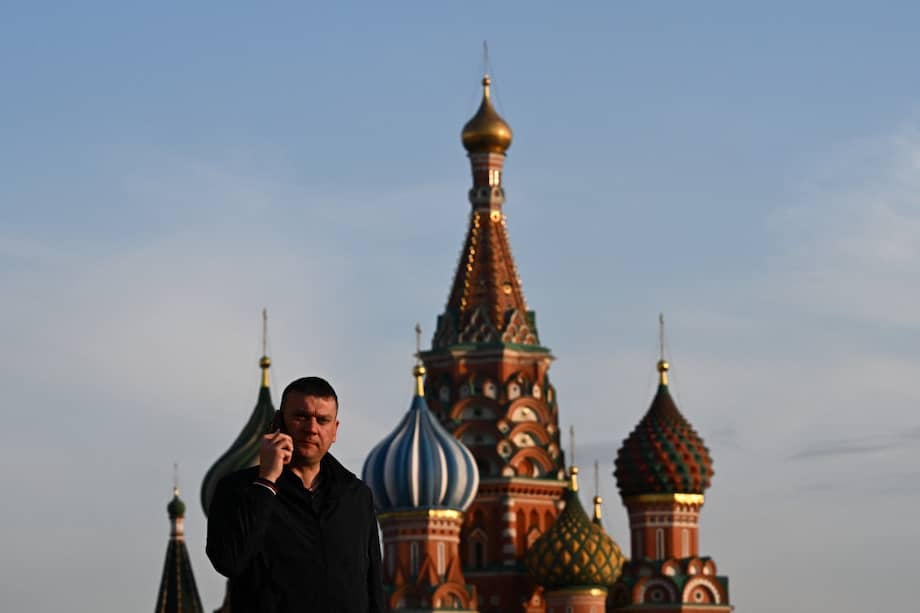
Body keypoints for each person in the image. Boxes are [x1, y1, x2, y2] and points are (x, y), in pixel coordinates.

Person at [207, 376, 386, 612]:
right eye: (301, 417)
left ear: (335, 430)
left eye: (323, 420)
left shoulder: (356, 496)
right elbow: (229, 561)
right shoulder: (237, 489)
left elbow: (373, 587)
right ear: (279, 422)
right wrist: (267, 482)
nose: (312, 429)